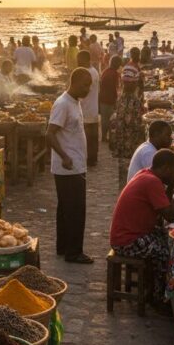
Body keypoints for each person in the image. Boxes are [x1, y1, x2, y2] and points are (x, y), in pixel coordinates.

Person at [109, 150, 174, 266]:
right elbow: (170, 216)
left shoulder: (146, 173)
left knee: (169, 236)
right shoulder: (152, 181)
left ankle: (153, 274)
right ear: (166, 169)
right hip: (126, 241)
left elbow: (166, 206)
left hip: (130, 234)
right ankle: (158, 277)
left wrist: (171, 183)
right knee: (171, 253)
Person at [46, 67, 94, 264]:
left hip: (76, 164)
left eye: (89, 86)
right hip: (68, 167)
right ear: (74, 82)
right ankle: (74, 252)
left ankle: (64, 247)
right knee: (75, 210)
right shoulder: (63, 104)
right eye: (85, 85)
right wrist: (64, 156)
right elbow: (49, 134)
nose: (88, 89)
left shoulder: (75, 102)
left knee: (66, 208)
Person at [109, 54, 147, 188]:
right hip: (130, 143)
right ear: (134, 83)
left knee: (122, 171)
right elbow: (133, 123)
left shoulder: (121, 98)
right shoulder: (134, 101)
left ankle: (123, 191)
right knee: (131, 172)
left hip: (121, 142)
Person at [127, 120, 173, 184]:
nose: (171, 139)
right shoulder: (149, 152)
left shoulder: (148, 146)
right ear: (156, 134)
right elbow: (159, 179)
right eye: (167, 135)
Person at [76, 50, 101, 166]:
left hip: (87, 109)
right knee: (92, 136)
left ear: (85, 60)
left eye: (79, 61)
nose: (78, 63)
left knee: (88, 137)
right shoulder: (93, 71)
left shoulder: (89, 73)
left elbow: (82, 92)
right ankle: (92, 158)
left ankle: (90, 159)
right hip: (91, 108)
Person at [99, 55, 121, 143]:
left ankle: (104, 136)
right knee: (109, 119)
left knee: (104, 119)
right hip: (109, 99)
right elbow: (114, 88)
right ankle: (105, 137)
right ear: (117, 64)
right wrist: (116, 100)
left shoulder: (105, 71)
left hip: (102, 98)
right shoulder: (114, 74)